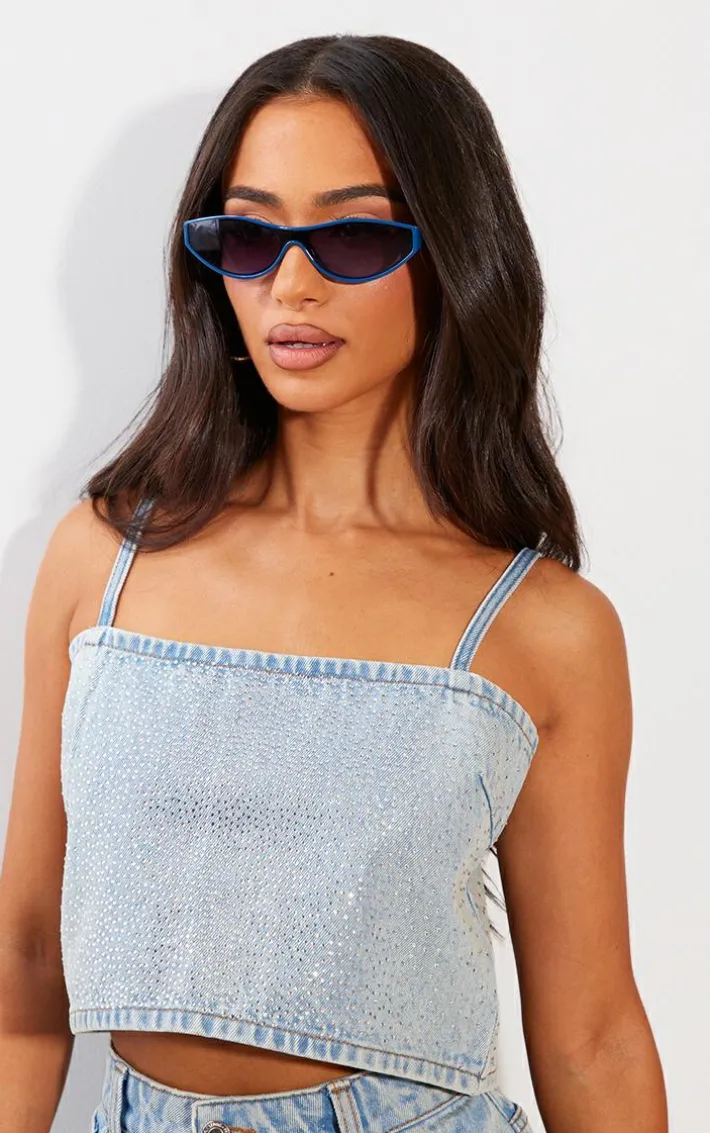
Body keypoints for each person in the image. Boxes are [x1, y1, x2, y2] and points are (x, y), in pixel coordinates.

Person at [0, 31, 667, 1133]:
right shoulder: (100, 561)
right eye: (249, 236)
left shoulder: (543, 628)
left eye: (352, 236)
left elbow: (590, 1033)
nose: (290, 284)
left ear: (451, 256)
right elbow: (25, 961)